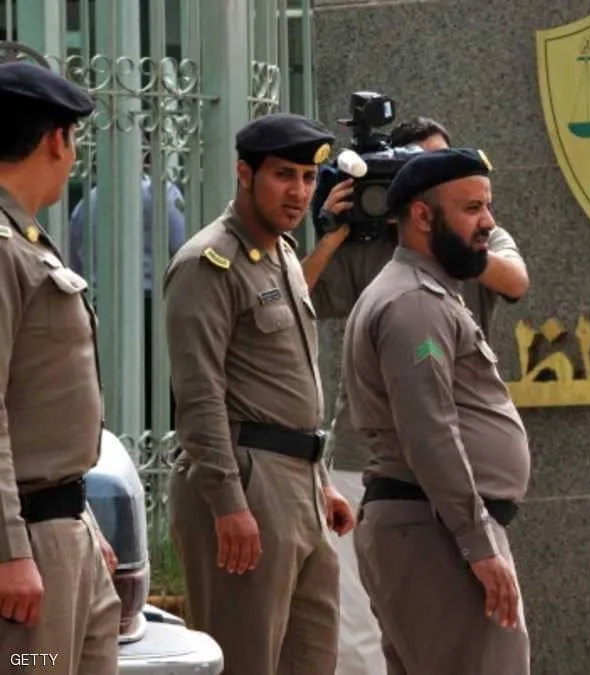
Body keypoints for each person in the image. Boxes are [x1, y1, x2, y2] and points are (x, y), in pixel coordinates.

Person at [303, 118, 528, 675]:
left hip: (439, 523)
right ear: (422, 216)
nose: (488, 221)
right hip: (433, 528)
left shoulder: (432, 287)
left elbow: (515, 279)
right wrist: (479, 544)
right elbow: (430, 432)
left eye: (487, 206)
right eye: (472, 209)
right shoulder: (413, 302)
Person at [165, 112, 355, 675]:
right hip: (247, 484)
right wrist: (228, 503)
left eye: (308, 177)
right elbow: (199, 395)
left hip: (299, 484)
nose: (299, 192)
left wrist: (320, 481)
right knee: (245, 660)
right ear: (245, 174)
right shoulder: (208, 263)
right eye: (283, 175)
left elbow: (285, 383)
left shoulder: (285, 255)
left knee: (313, 659)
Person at [0, 61, 120, 673]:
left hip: (63, 529)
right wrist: (10, 551)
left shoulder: (27, 239)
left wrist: (82, 517)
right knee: (35, 666)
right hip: (27, 543)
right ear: (55, 140)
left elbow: (40, 413)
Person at [69, 172, 187, 431]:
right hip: (151, 306)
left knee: (108, 385)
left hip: (99, 304)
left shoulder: (88, 201)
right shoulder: (163, 194)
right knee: (156, 392)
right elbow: (184, 251)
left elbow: (74, 260)